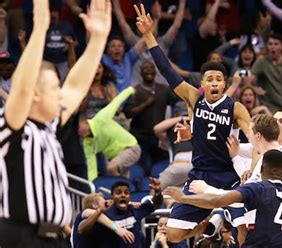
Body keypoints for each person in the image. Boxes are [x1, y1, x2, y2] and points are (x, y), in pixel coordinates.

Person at [134, 4, 251, 243]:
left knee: (244, 233)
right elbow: (166, 70)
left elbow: (256, 138)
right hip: (199, 175)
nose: (215, 82)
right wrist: (148, 35)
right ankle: (206, 226)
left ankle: (220, 215)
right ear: (203, 84)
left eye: (219, 79)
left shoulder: (236, 108)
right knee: (175, 236)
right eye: (210, 79)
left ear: (225, 83)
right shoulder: (193, 98)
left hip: (228, 176)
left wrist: (252, 166)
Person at [0, 0, 111, 246]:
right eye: (54, 88)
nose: (61, 93)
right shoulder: (12, 126)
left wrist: (97, 41)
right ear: (35, 94)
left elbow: (75, 86)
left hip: (52, 237)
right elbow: (22, 87)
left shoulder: (47, 126)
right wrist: (40, 28)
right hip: (21, 236)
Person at [164, 149, 282, 247]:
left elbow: (216, 201)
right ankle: (218, 223)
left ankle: (218, 222)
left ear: (262, 168)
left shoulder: (256, 189)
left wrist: (184, 198)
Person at [123, 60, 178, 173]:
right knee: (144, 168)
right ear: (140, 72)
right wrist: (146, 104)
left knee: (163, 168)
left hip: (159, 138)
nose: (148, 71)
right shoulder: (135, 91)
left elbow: (178, 99)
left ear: (155, 71)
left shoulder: (163, 89)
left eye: (151, 68)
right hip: (140, 137)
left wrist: (200, 90)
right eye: (145, 69)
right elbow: (128, 113)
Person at [79, 87, 141, 180]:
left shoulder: (101, 118)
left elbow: (115, 102)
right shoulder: (87, 143)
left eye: (79, 127)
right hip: (114, 157)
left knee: (111, 168)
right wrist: (93, 185)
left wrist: (130, 90)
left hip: (130, 148)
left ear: (85, 122)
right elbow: (91, 165)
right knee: (123, 182)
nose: (78, 131)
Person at [99, 179, 164, 248]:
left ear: (130, 196)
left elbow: (156, 203)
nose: (123, 195)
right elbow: (88, 216)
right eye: (118, 193)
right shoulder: (105, 215)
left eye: (126, 193)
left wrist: (157, 191)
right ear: (112, 196)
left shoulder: (135, 209)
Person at [251, 34, 282, 113]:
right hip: (270, 106)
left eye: (276, 44)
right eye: (270, 44)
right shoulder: (262, 61)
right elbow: (248, 78)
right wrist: (254, 88)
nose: (273, 47)